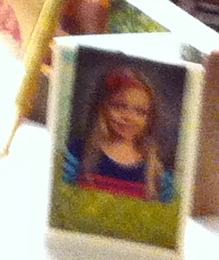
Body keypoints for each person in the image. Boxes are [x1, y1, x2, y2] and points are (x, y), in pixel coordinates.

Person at [64, 67, 176, 202]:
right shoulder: (76, 154)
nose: (129, 117)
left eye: (140, 112)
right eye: (119, 106)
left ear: (149, 119)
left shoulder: (157, 171)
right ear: (102, 107)